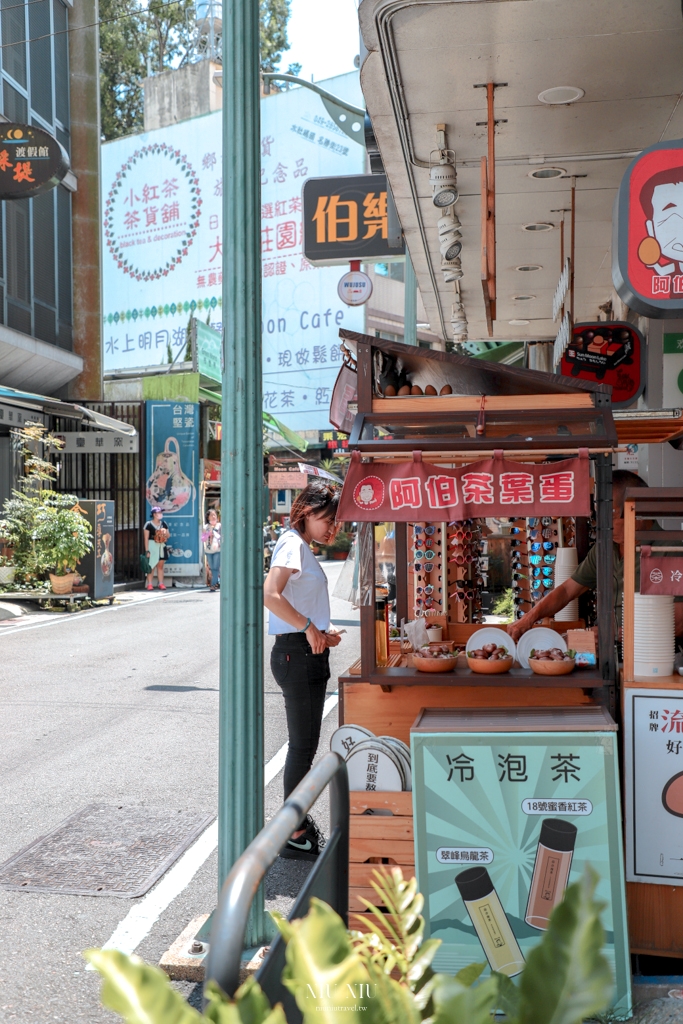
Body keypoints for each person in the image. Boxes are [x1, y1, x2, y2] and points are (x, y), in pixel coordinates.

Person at [507, 470, 683, 641]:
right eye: (600, 516)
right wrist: (529, 618)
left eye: (611, 516)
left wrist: (616, 633)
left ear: (637, 513)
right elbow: (567, 590)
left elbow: (679, 620)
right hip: (610, 655)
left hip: (655, 656)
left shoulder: (670, 550)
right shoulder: (605, 549)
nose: (603, 525)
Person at [263, 481, 343, 860]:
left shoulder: (301, 546)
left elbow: (296, 602)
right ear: (307, 514)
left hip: (306, 652)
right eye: (327, 520)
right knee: (301, 747)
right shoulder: (292, 543)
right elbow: (270, 594)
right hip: (296, 654)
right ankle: (293, 831)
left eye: (335, 522)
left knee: (305, 746)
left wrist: (323, 633)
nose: (332, 529)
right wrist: (309, 627)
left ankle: (296, 823)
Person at [143, 506, 170, 591]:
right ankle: (150, 584)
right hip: (152, 545)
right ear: (154, 514)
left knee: (160, 565)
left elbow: (168, 535)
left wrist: (165, 532)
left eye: (161, 513)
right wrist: (147, 550)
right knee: (151, 565)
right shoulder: (148, 524)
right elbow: (146, 538)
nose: (160, 514)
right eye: (159, 513)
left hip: (161, 545)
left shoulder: (164, 524)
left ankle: (161, 583)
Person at [202, 508, 221, 591]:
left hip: (218, 549)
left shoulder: (220, 526)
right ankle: (216, 582)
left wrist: (214, 533)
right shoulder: (206, 527)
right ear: (208, 517)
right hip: (209, 550)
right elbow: (202, 539)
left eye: (214, 515)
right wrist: (207, 534)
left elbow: (221, 537)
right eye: (211, 515)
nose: (213, 516)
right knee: (212, 567)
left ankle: (213, 584)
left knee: (216, 567)